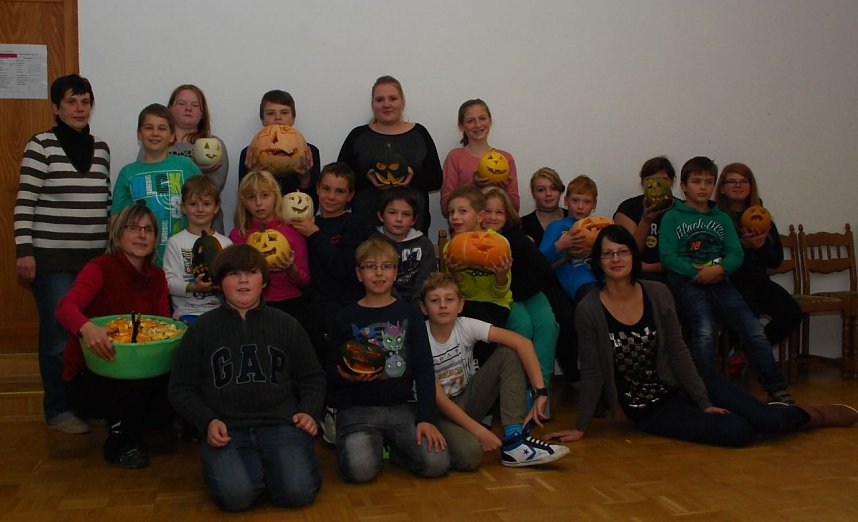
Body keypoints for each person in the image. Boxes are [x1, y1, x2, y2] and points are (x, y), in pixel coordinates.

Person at [543, 225, 858, 447]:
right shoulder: (589, 309)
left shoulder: (657, 293)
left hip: (691, 379)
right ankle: (750, 414)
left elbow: (679, 352)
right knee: (738, 432)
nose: (615, 259)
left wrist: (703, 401)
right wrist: (580, 427)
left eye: (622, 251)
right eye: (608, 254)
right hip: (650, 409)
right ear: (598, 262)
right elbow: (595, 371)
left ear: (633, 257)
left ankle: (813, 415)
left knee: (768, 422)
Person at [169, 245, 325, 511]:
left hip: (280, 425)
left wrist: (308, 411)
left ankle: (266, 470)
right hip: (227, 429)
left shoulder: (287, 324)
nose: (242, 280)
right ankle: (257, 472)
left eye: (251, 273)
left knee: (298, 493)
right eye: (233, 274)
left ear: (263, 281)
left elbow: (313, 377)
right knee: (235, 497)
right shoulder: (201, 330)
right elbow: (181, 388)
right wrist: (206, 421)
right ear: (219, 283)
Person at [14, 74, 110, 434]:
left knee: (92, 336)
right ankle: (58, 409)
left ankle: (87, 404)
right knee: (57, 338)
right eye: (71, 101)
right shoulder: (41, 146)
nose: (79, 108)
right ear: (56, 107)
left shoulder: (101, 148)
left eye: (85, 101)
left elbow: (104, 202)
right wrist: (25, 251)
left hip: (92, 261)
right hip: (52, 261)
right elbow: (25, 202)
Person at [658, 156, 793, 403]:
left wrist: (719, 270)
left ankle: (776, 389)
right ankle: (705, 391)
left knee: (754, 330)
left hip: (721, 281)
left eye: (708, 182)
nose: (703, 187)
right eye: (696, 181)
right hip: (687, 284)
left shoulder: (721, 218)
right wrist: (696, 272)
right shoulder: (672, 217)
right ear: (684, 186)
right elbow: (667, 256)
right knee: (706, 330)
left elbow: (736, 253)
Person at [55, 205, 172, 468]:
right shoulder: (99, 268)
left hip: (142, 366)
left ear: (155, 239)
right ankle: (119, 439)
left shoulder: (157, 276)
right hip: (95, 371)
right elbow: (65, 308)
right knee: (128, 382)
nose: (141, 235)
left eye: (148, 229)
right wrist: (87, 328)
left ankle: (143, 424)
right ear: (118, 235)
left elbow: (160, 325)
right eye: (133, 228)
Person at [329, 237, 449, 483]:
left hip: (402, 408)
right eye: (370, 266)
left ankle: (394, 448)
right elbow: (329, 368)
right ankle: (368, 444)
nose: (379, 273)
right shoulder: (344, 317)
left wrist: (425, 418)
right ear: (359, 274)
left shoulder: (410, 314)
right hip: (356, 411)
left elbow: (425, 369)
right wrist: (346, 375)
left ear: (395, 273)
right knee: (360, 472)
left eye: (386, 266)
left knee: (437, 464)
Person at [421, 272, 568, 470]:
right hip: (437, 411)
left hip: (466, 400)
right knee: (470, 457)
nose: (443, 305)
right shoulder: (421, 337)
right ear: (423, 307)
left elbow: (522, 343)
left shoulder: (465, 325)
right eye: (434, 300)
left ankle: (514, 443)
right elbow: (438, 399)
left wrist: (540, 392)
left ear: (460, 305)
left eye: (449, 299)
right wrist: (479, 432)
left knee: (509, 353)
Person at [229, 171, 324, 363]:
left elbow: (305, 280)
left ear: (275, 196)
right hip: (252, 307)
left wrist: (291, 269)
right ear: (243, 202)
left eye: (265, 195)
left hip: (290, 304)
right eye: (251, 197)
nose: (258, 203)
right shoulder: (238, 236)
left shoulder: (292, 231)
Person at [337, 75, 442, 233]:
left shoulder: (419, 133)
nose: (386, 104)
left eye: (393, 98)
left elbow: (436, 180)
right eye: (380, 100)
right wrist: (368, 179)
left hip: (413, 227)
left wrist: (412, 178)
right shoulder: (358, 136)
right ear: (372, 104)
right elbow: (340, 179)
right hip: (367, 225)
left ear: (402, 102)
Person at [482, 186, 559, 401]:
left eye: (499, 212)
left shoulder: (516, 238)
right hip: (499, 296)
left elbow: (544, 269)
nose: (492, 217)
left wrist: (523, 291)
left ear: (507, 216)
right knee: (522, 324)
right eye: (487, 211)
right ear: (479, 213)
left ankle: (540, 389)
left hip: (526, 292)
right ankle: (516, 388)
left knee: (547, 324)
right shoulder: (474, 240)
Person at [714, 162, 801, 348]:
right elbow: (712, 256)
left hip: (758, 281)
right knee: (746, 314)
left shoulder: (761, 216)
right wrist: (742, 246)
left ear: (750, 187)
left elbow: (776, 260)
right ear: (721, 188)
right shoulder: (715, 217)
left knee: (791, 313)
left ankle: (749, 352)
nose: (738, 185)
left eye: (743, 181)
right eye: (732, 181)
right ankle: (731, 350)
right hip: (729, 283)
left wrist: (761, 246)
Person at [113, 103, 202, 265]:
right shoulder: (128, 173)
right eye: (149, 127)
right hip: (142, 262)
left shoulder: (186, 166)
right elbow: (115, 220)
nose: (155, 133)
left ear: (172, 136)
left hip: (183, 259)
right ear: (139, 134)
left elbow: (205, 206)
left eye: (162, 128)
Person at [163, 175, 232, 320]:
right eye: (193, 204)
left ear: (216, 207)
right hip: (185, 314)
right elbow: (168, 284)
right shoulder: (175, 242)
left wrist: (220, 286)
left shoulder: (226, 244)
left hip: (219, 314)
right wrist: (195, 287)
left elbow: (233, 280)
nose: (200, 209)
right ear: (183, 207)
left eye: (206, 204)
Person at [444, 186, 513, 330]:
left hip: (496, 303)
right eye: (451, 212)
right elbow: (464, 293)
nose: (455, 216)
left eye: (462, 211)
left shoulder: (499, 242)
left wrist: (500, 276)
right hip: (466, 302)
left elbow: (500, 293)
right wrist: (455, 273)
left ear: (480, 216)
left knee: (483, 328)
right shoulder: (450, 248)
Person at [238, 89, 320, 208]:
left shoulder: (309, 152)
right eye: (271, 113)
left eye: (284, 112)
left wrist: (305, 179)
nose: (278, 118)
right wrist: (253, 176)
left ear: (293, 118)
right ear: (263, 120)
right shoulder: (249, 153)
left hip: (296, 220)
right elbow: (244, 205)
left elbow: (314, 205)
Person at [165, 84, 229, 233]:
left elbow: (213, 189)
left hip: (206, 227)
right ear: (169, 108)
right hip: (165, 222)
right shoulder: (157, 143)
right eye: (181, 103)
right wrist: (196, 168)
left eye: (195, 105)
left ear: (202, 113)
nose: (188, 108)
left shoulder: (213, 145)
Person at [440, 99, 519, 215]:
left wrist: (504, 191)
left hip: (497, 230)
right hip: (467, 230)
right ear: (461, 126)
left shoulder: (505, 159)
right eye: (470, 121)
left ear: (490, 121)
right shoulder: (455, 157)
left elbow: (515, 208)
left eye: (482, 118)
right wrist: (473, 185)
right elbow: (445, 208)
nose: (478, 125)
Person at [613, 156, 679, 282]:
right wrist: (645, 220)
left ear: (671, 181)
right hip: (640, 277)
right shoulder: (628, 208)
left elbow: (688, 256)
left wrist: (647, 267)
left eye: (662, 180)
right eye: (650, 181)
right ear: (643, 182)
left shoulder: (682, 209)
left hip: (676, 274)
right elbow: (628, 254)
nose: (656, 186)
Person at [538, 175, 598, 302]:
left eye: (586, 202)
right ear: (566, 200)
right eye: (575, 200)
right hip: (578, 282)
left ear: (594, 204)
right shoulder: (558, 226)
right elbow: (539, 261)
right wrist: (560, 245)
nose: (580, 206)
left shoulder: (597, 226)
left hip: (604, 279)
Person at [374, 186, 437, 304]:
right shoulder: (372, 244)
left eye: (406, 214)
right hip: (383, 302)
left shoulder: (423, 244)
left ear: (414, 219)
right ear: (381, 216)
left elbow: (427, 278)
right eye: (392, 213)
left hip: (418, 304)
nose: (399, 219)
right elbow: (374, 278)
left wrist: (416, 303)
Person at [520, 167, 566, 246]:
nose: (548, 194)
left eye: (553, 188)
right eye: (541, 190)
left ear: (560, 191)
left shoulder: (575, 218)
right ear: (533, 193)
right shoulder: (522, 226)